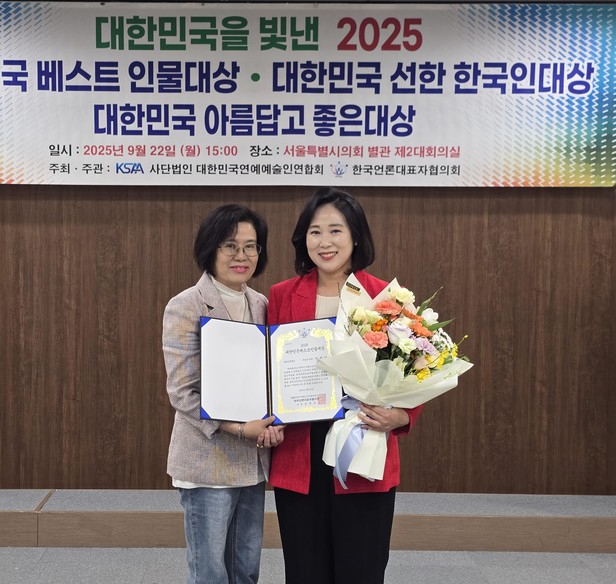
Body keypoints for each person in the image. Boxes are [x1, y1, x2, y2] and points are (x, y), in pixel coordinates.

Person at [267, 187, 423, 584]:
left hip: (364, 440)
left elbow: (418, 365)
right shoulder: (282, 295)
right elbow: (268, 368)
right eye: (315, 231)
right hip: (300, 447)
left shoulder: (386, 297)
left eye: (336, 230)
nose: (325, 242)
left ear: (355, 236)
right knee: (305, 570)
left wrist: (403, 416)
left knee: (362, 568)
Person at [163, 203, 284, 584]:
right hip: (208, 461)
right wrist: (239, 428)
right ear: (210, 248)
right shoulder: (186, 305)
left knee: (245, 570)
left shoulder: (262, 305)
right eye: (230, 246)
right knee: (211, 573)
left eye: (251, 246)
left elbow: (270, 379)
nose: (241, 256)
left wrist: (275, 420)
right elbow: (183, 391)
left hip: (252, 462)